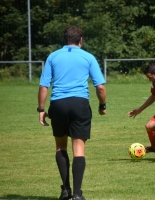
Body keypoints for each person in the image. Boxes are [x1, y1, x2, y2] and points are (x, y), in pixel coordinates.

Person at [37, 25, 107, 200]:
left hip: (58, 104)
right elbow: (100, 87)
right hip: (79, 104)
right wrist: (102, 106)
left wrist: (40, 109)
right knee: (79, 149)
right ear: (80, 40)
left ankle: (65, 190)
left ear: (64, 40)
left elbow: (44, 86)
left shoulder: (53, 56)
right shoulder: (88, 57)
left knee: (60, 146)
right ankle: (77, 194)